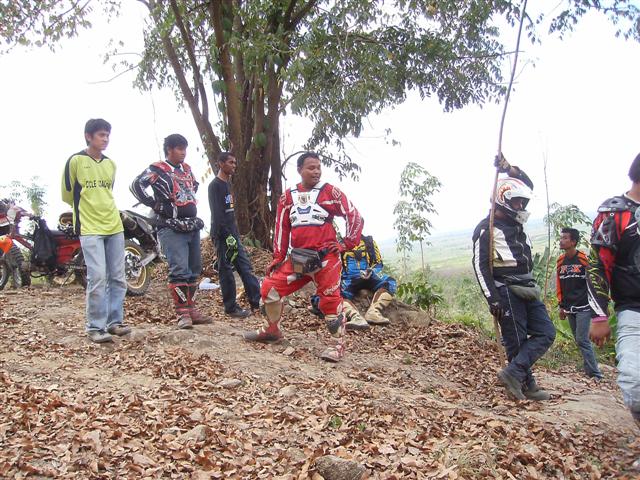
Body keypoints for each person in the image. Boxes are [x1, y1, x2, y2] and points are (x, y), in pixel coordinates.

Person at [243, 152, 364, 362]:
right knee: (270, 288)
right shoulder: (287, 198)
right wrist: (278, 257)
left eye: (318, 167)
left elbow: (354, 215)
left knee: (330, 300)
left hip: (326, 259)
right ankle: (271, 330)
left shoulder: (330, 192)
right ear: (300, 170)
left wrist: (346, 243)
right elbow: (281, 228)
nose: (316, 171)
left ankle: (337, 345)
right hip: (298, 259)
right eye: (311, 167)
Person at [472, 154, 556, 401]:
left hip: (527, 286)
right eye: (516, 202)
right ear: (503, 200)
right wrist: (493, 298)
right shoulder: (486, 228)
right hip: (506, 289)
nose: (520, 206)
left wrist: (510, 169)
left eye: (522, 202)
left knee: (546, 332)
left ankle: (514, 373)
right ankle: (526, 384)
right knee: (516, 340)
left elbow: (527, 185)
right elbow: (479, 266)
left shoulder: (515, 225)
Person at [131, 134, 211, 329]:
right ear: (169, 150)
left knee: (194, 269)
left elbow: (193, 187)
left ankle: (191, 309)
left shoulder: (187, 169)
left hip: (191, 225)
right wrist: (154, 204)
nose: (183, 152)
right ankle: (182, 313)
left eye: (185, 148)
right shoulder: (158, 169)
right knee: (179, 269)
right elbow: (136, 185)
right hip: (170, 226)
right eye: (179, 149)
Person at [588, 152, 640, 451]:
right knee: (634, 384)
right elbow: (598, 266)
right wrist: (599, 316)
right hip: (633, 310)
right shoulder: (615, 214)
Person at [61, 118, 130, 343]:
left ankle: (114, 322)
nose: (105, 139)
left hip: (114, 225)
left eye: (108, 135)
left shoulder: (110, 164)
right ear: (88, 136)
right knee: (97, 276)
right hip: (90, 227)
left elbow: (108, 191)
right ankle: (95, 327)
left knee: (118, 277)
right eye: (101, 135)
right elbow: (67, 195)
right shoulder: (75, 161)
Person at [208, 152, 261, 318]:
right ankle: (231, 308)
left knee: (245, 267)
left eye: (235, 163)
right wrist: (226, 235)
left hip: (233, 234)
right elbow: (217, 214)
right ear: (221, 163)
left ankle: (257, 303)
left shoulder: (228, 185)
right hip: (222, 235)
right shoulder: (215, 186)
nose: (234, 165)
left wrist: (234, 234)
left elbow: (229, 213)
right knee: (226, 271)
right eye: (230, 162)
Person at [311, 234, 397, 330]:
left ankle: (374, 312)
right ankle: (356, 317)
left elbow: (378, 263)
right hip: (348, 280)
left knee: (390, 282)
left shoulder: (369, 242)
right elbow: (332, 265)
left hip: (369, 276)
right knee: (330, 294)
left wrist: (370, 271)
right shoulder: (338, 244)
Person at [556, 227, 603, 379]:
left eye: (565, 238)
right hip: (569, 307)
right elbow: (559, 284)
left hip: (584, 306)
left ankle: (596, 373)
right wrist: (561, 306)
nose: (561, 241)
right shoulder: (560, 261)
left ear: (573, 242)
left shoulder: (583, 259)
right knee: (579, 339)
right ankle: (589, 370)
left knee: (582, 339)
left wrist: (599, 304)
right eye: (561, 237)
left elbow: (594, 282)